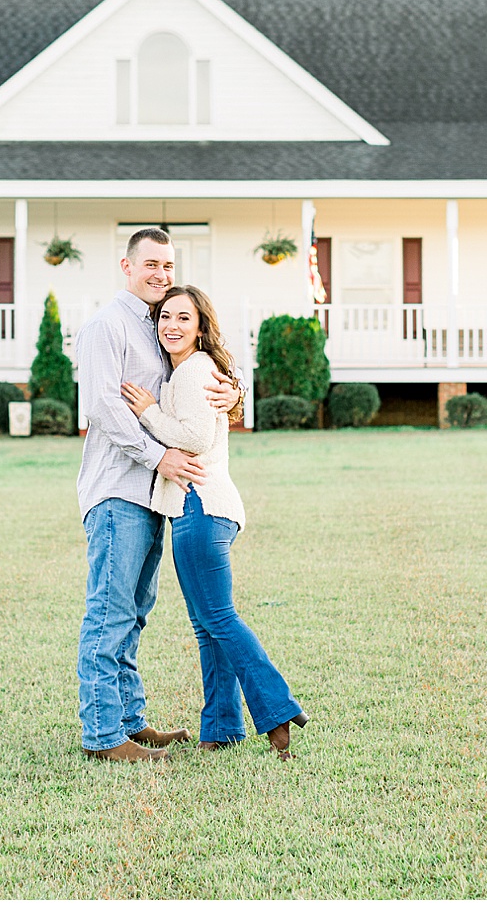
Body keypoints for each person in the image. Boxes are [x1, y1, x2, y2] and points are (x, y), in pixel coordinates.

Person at [74, 228, 242, 763]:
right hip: (119, 489)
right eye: (150, 264)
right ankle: (104, 736)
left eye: (167, 266)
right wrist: (158, 458)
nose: (160, 275)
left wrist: (233, 392)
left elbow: (199, 383)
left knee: (136, 609)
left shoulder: (158, 325)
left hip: (154, 496)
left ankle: (130, 720)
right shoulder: (108, 326)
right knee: (110, 610)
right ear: (126, 267)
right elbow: (102, 407)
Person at [121, 285, 309, 759]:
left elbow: (196, 437)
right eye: (165, 317)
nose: (172, 326)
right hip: (206, 508)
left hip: (199, 506)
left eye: (184, 318)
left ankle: (277, 708)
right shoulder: (192, 370)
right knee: (208, 625)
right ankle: (221, 728)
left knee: (218, 618)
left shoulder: (193, 371)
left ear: (201, 326)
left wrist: (148, 413)